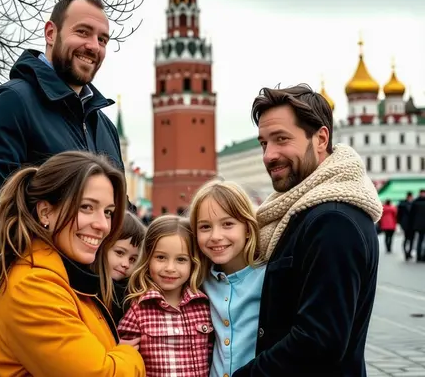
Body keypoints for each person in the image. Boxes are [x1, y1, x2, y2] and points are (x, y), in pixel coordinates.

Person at [0, 0, 126, 375]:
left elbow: (113, 226)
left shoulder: (104, 127)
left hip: (90, 319)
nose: (93, 46)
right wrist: (34, 275)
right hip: (37, 319)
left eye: (103, 39)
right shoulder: (12, 103)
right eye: (83, 32)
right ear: (51, 33)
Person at [233, 85, 382, 377]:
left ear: (321, 139)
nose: (269, 155)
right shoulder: (299, 213)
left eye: (281, 139)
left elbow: (318, 341)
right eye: (264, 143)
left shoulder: (333, 221)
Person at [0, 151, 145, 377]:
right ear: (46, 212)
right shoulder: (33, 288)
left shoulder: (67, 276)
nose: (102, 225)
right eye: (86, 207)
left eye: (108, 212)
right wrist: (130, 354)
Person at [118, 215, 212, 377]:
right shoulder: (136, 310)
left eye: (181, 259)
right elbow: (127, 364)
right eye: (161, 257)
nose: (170, 268)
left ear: (193, 263)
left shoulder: (204, 306)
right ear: (148, 259)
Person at [189, 179, 264, 377]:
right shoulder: (199, 281)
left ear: (248, 228)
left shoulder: (268, 277)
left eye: (228, 224)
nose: (216, 236)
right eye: (205, 227)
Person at [107, 211, 146, 324]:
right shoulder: (85, 288)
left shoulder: (133, 296)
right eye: (119, 253)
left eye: (133, 259)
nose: (126, 264)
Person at [397, 192, 414, 260]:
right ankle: (406, 252)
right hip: (407, 224)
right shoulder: (404, 204)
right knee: (407, 239)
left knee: (409, 239)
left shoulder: (410, 204)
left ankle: (408, 252)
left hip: (410, 224)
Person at [410, 189, 425, 262]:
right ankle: (421, 256)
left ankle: (419, 256)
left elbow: (411, 214)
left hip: (418, 225)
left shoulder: (415, 202)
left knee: (419, 240)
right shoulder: (416, 202)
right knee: (421, 240)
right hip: (420, 225)